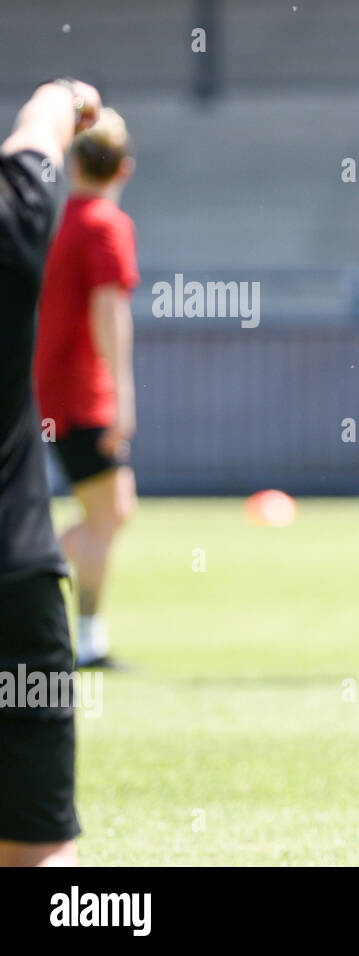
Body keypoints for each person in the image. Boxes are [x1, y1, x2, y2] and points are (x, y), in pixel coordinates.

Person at [0, 78, 101, 867]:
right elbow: (36, 142)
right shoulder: (15, 222)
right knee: (38, 851)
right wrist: (62, 94)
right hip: (13, 575)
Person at [33, 108, 137, 670]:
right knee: (105, 515)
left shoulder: (62, 220)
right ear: (125, 168)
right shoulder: (105, 224)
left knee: (115, 510)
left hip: (56, 390)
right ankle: (85, 636)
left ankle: (87, 634)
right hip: (81, 395)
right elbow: (108, 311)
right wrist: (122, 397)